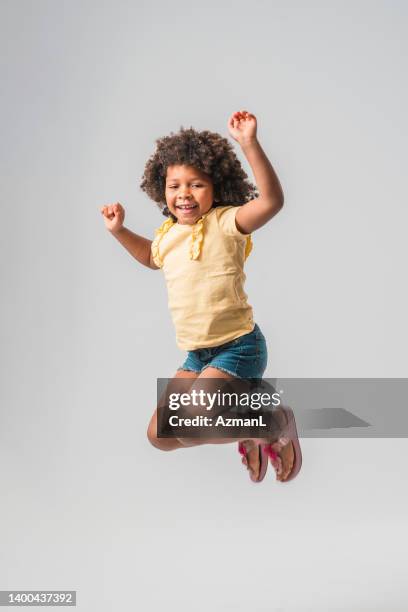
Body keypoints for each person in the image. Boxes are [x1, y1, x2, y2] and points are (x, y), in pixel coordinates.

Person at [100, 110, 302, 483]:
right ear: (161, 188)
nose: (184, 194)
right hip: (197, 355)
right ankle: (249, 428)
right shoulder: (167, 234)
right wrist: (119, 231)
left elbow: (272, 201)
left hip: (238, 348)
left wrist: (249, 144)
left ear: (217, 186)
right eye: (174, 185)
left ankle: (271, 422)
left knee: (195, 419)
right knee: (160, 435)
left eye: (196, 185)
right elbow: (150, 257)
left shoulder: (227, 223)